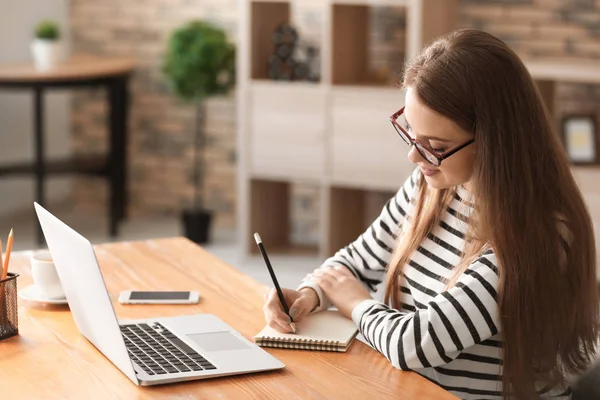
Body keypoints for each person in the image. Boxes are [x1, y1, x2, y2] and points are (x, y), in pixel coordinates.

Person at [262, 28, 599, 399]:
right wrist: (310, 294)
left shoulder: (538, 237)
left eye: (435, 146)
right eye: (410, 133)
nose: (414, 156)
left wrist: (354, 302)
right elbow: (356, 262)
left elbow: (415, 345)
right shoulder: (431, 186)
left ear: (494, 142)